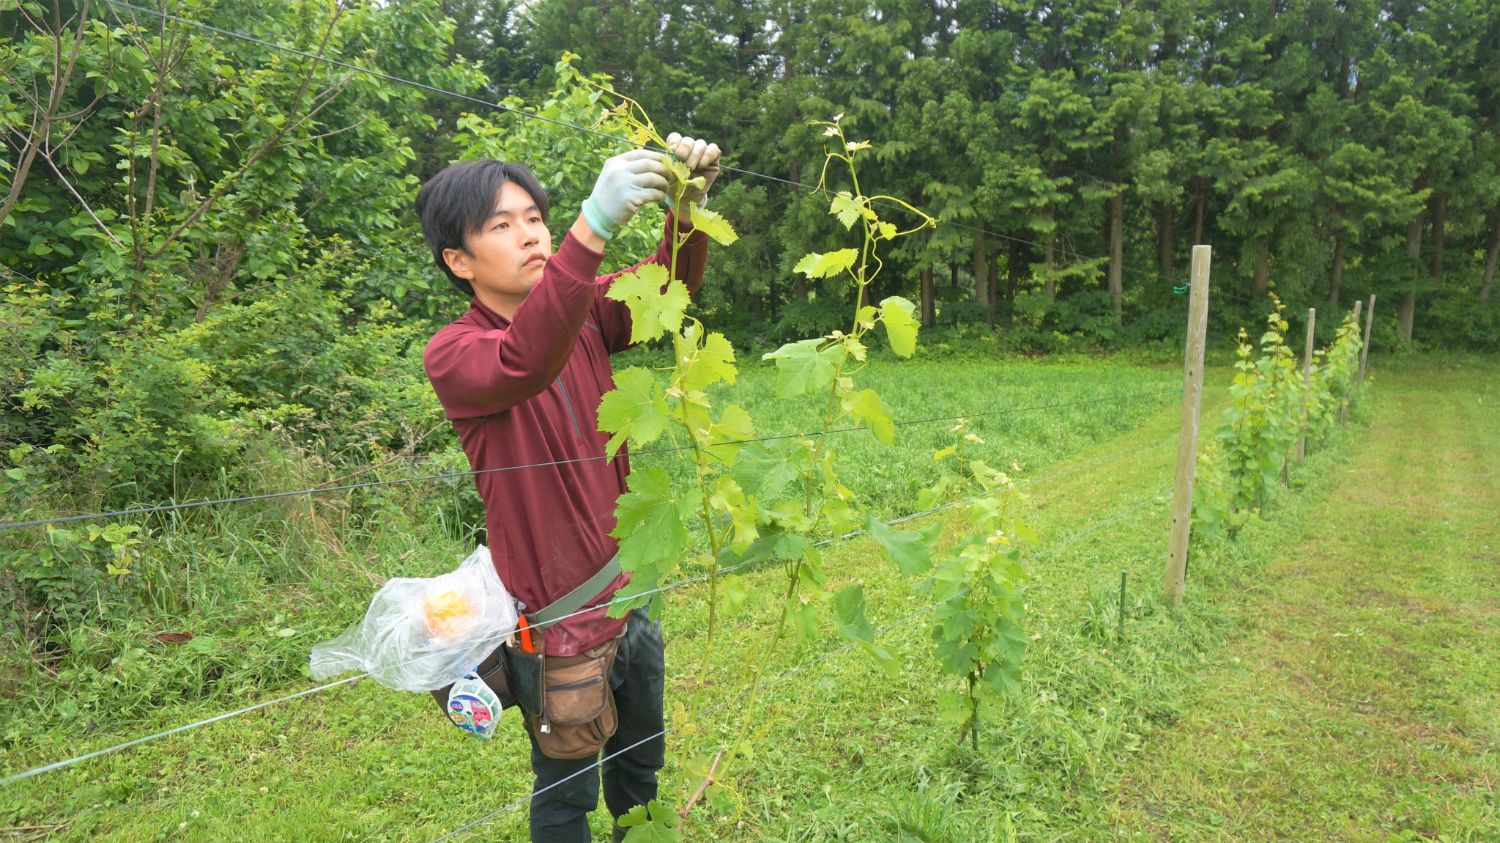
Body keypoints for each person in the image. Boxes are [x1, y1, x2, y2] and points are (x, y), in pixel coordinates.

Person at [416, 133, 721, 842]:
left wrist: (688, 211)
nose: (528, 234)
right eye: (500, 225)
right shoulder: (456, 352)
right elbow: (524, 359)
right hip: (555, 624)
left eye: (534, 218)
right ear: (458, 262)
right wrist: (595, 225)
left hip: (625, 598)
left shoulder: (583, 312)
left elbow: (664, 287)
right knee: (565, 794)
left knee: (641, 761)